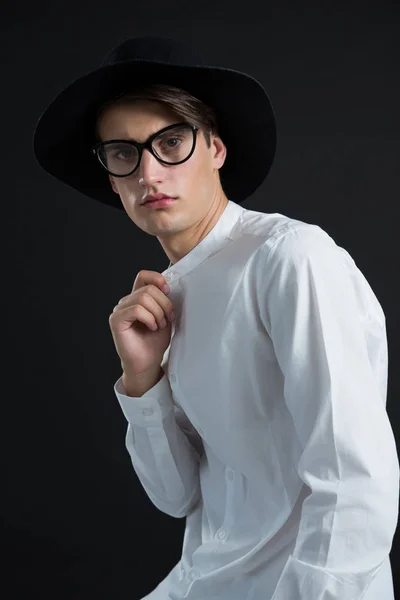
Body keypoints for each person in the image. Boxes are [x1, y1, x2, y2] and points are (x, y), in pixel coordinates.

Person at [33, 36, 399, 600]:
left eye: (171, 141)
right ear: (110, 177)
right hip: (204, 580)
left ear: (216, 150)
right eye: (124, 153)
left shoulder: (289, 257)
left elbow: (355, 479)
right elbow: (176, 496)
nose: (149, 173)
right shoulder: (165, 301)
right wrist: (142, 379)